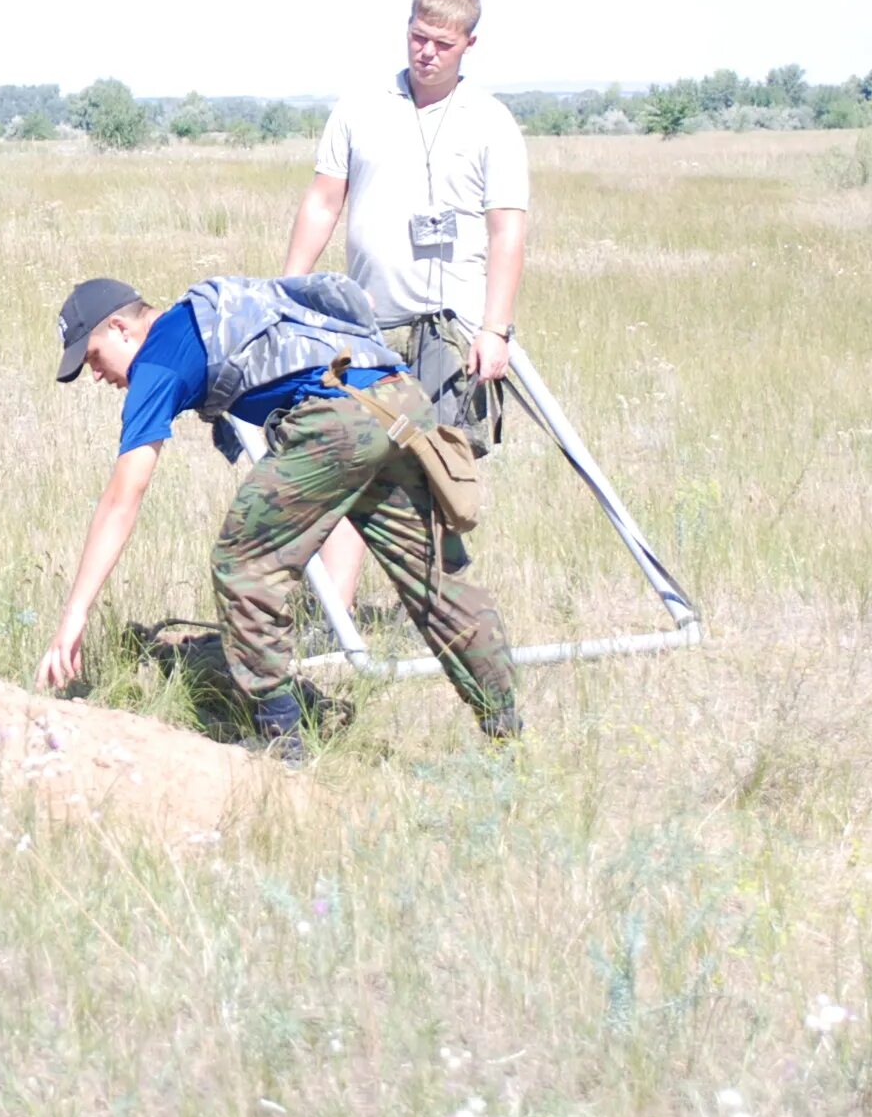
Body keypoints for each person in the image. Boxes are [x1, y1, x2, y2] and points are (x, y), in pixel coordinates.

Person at [37, 273, 522, 757]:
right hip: (397, 398)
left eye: (93, 357)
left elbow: (124, 496)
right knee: (433, 576)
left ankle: (283, 741)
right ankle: (508, 733)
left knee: (242, 562)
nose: (96, 375)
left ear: (121, 328)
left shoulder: (158, 359)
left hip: (341, 419)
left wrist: (75, 612)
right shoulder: (210, 308)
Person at [282, 0, 531, 613]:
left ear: (469, 45)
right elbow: (322, 201)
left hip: (452, 333)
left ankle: (447, 620)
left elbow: (507, 231)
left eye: (442, 43)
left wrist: (495, 330)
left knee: (441, 476)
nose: (426, 52)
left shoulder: (492, 122)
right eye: (418, 37)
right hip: (368, 331)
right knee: (348, 470)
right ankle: (335, 623)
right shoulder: (359, 107)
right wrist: (287, 294)